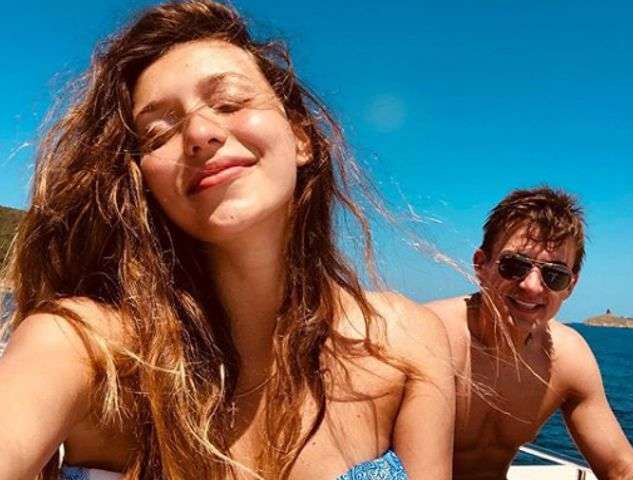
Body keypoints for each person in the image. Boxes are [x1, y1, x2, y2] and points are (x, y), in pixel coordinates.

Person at [0, 1, 455, 479]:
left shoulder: (408, 343)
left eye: (231, 102)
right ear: (144, 183)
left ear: (301, 138)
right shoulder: (83, 349)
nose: (199, 133)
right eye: (158, 133)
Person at [426, 187, 633, 480]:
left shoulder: (567, 357)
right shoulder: (425, 337)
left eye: (554, 275)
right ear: (481, 265)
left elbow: (621, 468)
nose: (531, 286)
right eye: (513, 266)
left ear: (570, 286)